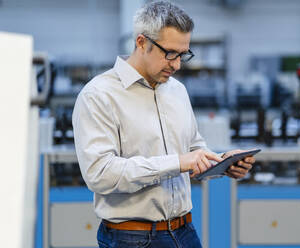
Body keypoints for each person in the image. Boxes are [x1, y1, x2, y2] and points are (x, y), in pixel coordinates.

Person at [72, 1, 255, 247]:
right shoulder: (99, 95)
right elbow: (100, 174)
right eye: (169, 53)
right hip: (132, 238)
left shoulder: (177, 90)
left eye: (183, 54)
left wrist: (221, 163)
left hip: (184, 231)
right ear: (141, 42)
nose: (177, 64)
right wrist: (177, 162)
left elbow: (192, 150)